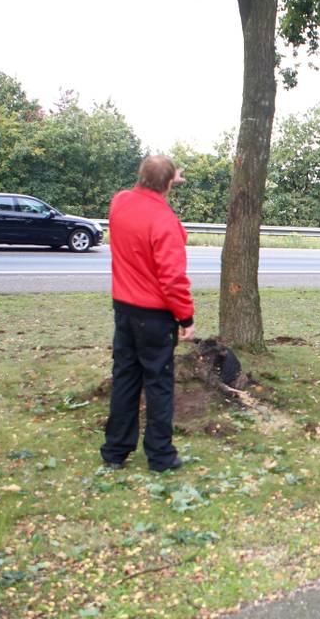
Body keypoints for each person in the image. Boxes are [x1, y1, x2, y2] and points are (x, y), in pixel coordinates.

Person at [100, 155, 195, 472]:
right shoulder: (165, 220)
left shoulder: (120, 203)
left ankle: (115, 452)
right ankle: (161, 456)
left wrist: (165, 177)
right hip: (154, 316)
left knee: (125, 378)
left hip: (124, 310)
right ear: (169, 184)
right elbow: (172, 279)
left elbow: (143, 194)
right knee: (158, 385)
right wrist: (186, 318)